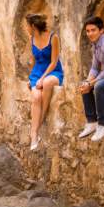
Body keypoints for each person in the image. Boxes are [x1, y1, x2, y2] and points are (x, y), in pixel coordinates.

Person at [25, 14, 64, 150]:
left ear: (33, 26)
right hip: (37, 73)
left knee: (47, 83)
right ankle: (34, 134)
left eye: (27, 26)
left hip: (53, 71)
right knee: (36, 97)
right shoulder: (31, 39)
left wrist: (42, 78)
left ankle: (41, 118)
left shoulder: (53, 37)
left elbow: (54, 61)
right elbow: (33, 61)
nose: (26, 28)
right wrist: (32, 78)